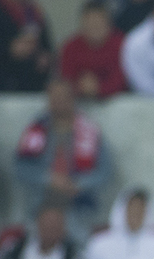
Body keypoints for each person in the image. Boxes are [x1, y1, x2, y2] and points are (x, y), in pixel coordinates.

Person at [13, 78, 114, 234]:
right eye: (54, 97)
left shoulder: (88, 130)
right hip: (41, 205)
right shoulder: (36, 129)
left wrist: (79, 183)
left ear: (72, 98)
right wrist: (49, 179)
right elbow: (20, 167)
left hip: (79, 207)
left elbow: (105, 170)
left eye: (63, 97)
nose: (58, 102)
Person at [0, 0, 52, 92]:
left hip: (31, 89)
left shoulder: (35, 13)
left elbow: (47, 46)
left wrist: (44, 57)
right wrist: (9, 50)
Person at [58, 0, 126, 100]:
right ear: (82, 24)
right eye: (90, 23)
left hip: (118, 103)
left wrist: (99, 88)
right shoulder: (70, 47)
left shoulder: (122, 46)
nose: (95, 28)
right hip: (79, 104)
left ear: (108, 23)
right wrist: (81, 88)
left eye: (99, 23)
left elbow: (122, 80)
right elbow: (66, 81)